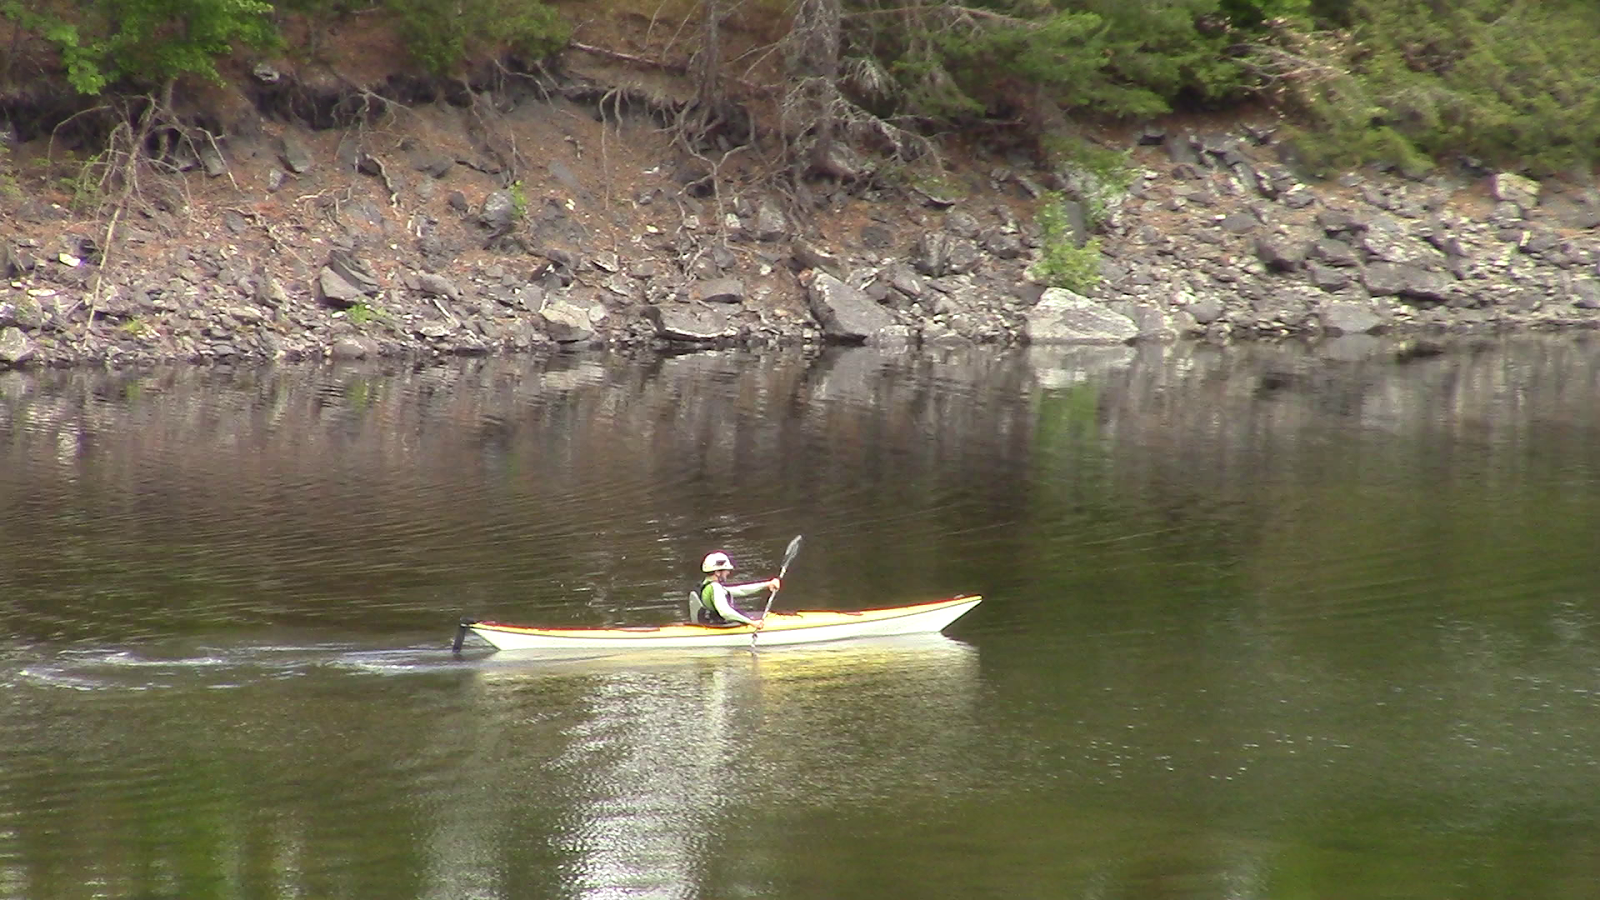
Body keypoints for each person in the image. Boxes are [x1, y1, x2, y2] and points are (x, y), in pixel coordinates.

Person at [690, 551, 781, 626]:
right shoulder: (715, 587)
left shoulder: (708, 585)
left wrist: (767, 584)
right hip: (720, 624)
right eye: (726, 570)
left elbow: (741, 590)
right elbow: (725, 612)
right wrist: (752, 623)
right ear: (717, 572)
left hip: (713, 622)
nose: (728, 573)